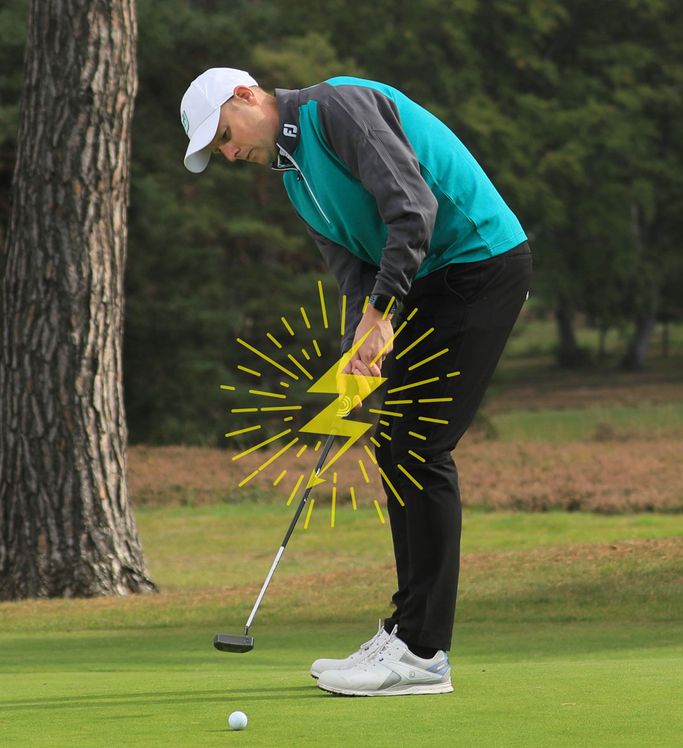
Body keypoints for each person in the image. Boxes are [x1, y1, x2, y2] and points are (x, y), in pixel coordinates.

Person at [181, 67, 532, 696]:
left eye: (225, 135)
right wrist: (356, 355)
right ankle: (404, 634)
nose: (230, 153)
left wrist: (381, 314)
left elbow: (413, 209)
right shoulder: (294, 176)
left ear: (246, 95)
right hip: (429, 281)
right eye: (218, 150)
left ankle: (424, 655)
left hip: (478, 264)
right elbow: (354, 273)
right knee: (394, 447)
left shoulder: (333, 110)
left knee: (419, 447)